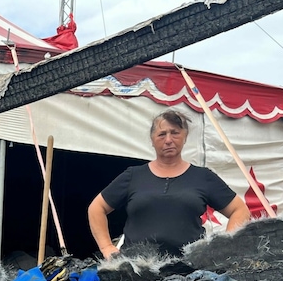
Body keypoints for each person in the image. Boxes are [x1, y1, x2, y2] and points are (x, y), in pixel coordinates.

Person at [87, 109, 251, 259]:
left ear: (185, 136)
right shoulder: (133, 176)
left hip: (189, 270)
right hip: (136, 269)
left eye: (175, 133)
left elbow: (240, 210)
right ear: (152, 140)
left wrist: (223, 247)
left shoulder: (203, 177)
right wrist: (107, 247)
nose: (168, 140)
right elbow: (96, 208)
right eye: (161, 134)